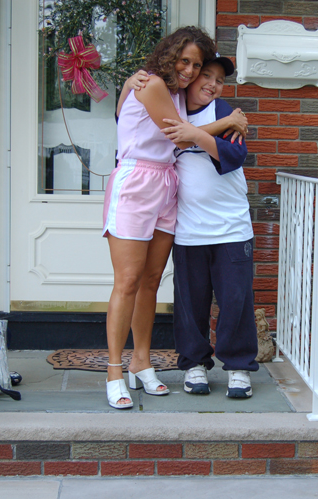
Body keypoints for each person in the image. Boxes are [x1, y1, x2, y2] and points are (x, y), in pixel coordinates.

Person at [102, 26, 215, 409]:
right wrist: (230, 123)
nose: (189, 70)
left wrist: (123, 88)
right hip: (136, 181)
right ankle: (114, 371)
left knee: (151, 281)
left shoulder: (177, 92)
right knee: (128, 281)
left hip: (167, 184)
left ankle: (141, 361)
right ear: (169, 55)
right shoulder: (151, 84)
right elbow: (182, 138)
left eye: (196, 65)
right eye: (184, 60)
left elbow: (123, 113)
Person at [160, 56, 258, 398]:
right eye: (207, 75)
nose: (213, 84)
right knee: (190, 302)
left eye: (219, 79)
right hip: (188, 229)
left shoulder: (224, 112)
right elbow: (164, 139)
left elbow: (234, 156)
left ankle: (239, 367)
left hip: (231, 227)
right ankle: (195, 365)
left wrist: (195, 134)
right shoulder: (171, 111)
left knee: (236, 300)